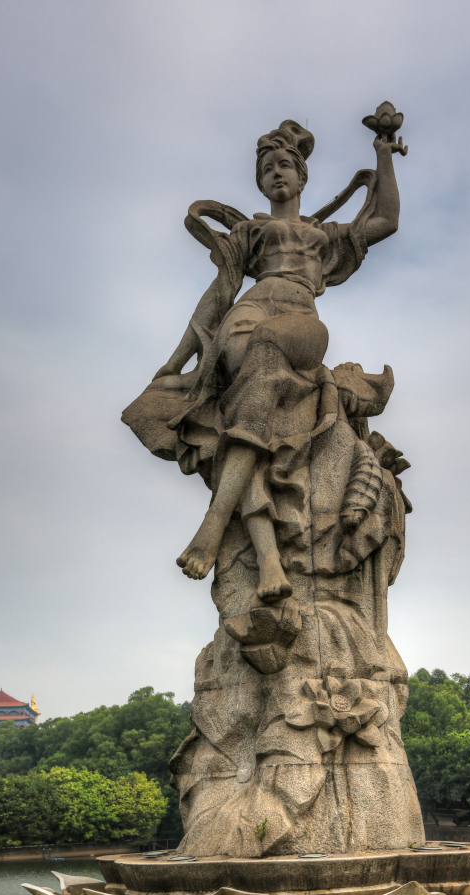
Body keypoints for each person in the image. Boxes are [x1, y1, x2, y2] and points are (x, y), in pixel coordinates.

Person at [129, 116, 406, 601]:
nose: (276, 173)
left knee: (262, 357)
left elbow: (385, 221)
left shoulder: (324, 236)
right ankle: (270, 561)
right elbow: (219, 296)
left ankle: (212, 527)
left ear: (302, 177)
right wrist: (176, 363)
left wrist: (384, 152)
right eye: (266, 168)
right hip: (248, 310)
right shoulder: (249, 233)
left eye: (285, 166)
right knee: (235, 411)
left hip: (299, 319)